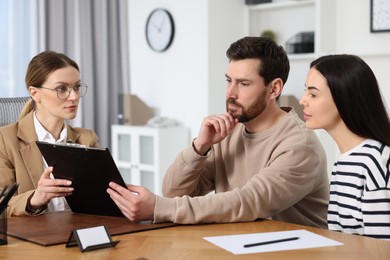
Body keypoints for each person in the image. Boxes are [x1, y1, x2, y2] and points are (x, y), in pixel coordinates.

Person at [107, 36, 329, 228]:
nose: (230, 93)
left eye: (243, 84)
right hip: (240, 244)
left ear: (274, 89)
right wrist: (199, 147)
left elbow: (248, 202)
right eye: (228, 81)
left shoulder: (300, 144)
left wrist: (158, 207)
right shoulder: (228, 131)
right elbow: (174, 192)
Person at [299, 54, 390, 240]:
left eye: (313, 94)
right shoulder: (343, 164)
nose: (302, 100)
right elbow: (339, 239)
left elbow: (382, 249)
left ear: (344, 98)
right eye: (305, 91)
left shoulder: (376, 162)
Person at [0, 50, 99, 217]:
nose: (74, 96)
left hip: (79, 232)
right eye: (61, 88)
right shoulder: (4, 139)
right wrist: (35, 198)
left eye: (76, 87)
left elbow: (101, 195)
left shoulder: (87, 138)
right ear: (34, 93)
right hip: (32, 238)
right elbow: (2, 203)